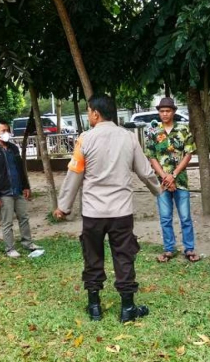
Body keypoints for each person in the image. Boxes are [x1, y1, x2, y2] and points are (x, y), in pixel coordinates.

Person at [53, 94, 161, 323]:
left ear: (95, 113)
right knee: (124, 256)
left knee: (92, 256)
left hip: (93, 213)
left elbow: (75, 174)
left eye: (88, 110)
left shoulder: (85, 139)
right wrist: (158, 191)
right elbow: (144, 171)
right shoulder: (128, 138)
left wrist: (63, 206)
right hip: (121, 212)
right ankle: (127, 308)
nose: (88, 114)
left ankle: (94, 307)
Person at [144, 97, 200, 263]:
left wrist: (173, 175)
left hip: (180, 180)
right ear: (159, 113)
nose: (165, 114)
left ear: (173, 112)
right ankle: (169, 249)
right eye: (162, 111)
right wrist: (165, 177)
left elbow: (188, 154)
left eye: (168, 111)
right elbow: (151, 156)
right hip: (161, 183)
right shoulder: (153, 132)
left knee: (185, 217)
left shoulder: (183, 130)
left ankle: (189, 249)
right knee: (165, 217)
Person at [0, 121, 42, 258]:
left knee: (24, 217)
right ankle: (10, 248)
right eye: (3, 130)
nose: (6, 133)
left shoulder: (13, 148)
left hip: (18, 189)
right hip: (4, 193)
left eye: (7, 130)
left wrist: (25, 186)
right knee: (7, 222)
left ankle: (28, 243)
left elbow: (21, 169)